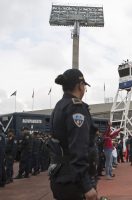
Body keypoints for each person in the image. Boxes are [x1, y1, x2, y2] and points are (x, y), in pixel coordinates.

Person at [48, 68, 99, 200]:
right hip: (74, 182)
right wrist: (86, 185)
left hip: (60, 177)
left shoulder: (59, 107)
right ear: (80, 86)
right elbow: (79, 148)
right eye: (84, 86)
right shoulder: (77, 108)